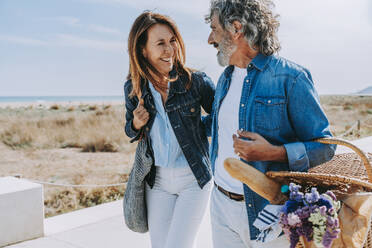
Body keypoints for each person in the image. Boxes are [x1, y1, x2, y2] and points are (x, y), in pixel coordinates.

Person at [205, 0, 337, 247]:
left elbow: (326, 147)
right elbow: (219, 127)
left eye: (214, 28)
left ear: (236, 28)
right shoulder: (225, 78)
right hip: (221, 206)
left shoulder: (292, 77)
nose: (210, 38)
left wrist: (274, 152)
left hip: (271, 212)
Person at [124, 11, 215, 248]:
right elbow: (130, 130)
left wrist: (197, 128)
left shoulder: (195, 82)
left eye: (172, 41)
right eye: (161, 43)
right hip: (158, 182)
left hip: (193, 178)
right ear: (143, 50)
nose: (170, 49)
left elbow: (220, 118)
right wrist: (136, 124)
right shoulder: (134, 88)